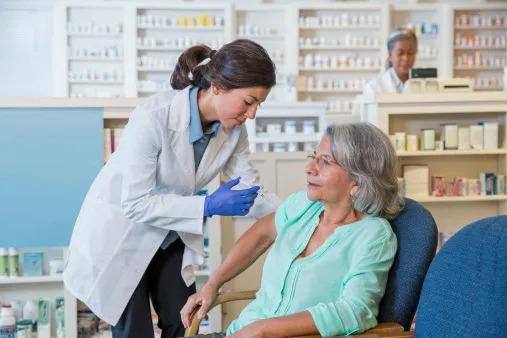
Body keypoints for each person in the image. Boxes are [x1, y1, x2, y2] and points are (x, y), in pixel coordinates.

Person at [63, 39, 281, 338]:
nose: (253, 113)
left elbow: (250, 190)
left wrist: (301, 213)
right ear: (217, 86)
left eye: (259, 104)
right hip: (123, 235)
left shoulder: (233, 130)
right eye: (248, 101)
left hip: (171, 235)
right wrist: (207, 206)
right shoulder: (152, 117)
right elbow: (136, 203)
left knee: (184, 322)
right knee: (135, 332)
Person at [181, 122, 404, 338]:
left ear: (359, 181)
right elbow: (263, 232)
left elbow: (356, 310)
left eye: (325, 161)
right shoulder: (303, 206)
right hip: (240, 332)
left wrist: (263, 330)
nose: (309, 168)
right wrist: (213, 283)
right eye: (313, 157)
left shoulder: (373, 235)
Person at [363, 28, 418, 95]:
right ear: (390, 55)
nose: (405, 58)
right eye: (400, 53)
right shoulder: (374, 87)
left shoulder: (426, 84)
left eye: (410, 53)